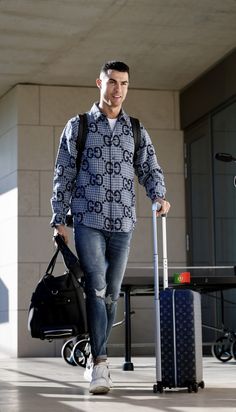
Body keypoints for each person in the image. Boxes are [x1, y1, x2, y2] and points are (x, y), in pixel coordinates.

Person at [50, 60, 170, 394]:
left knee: (112, 294)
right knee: (97, 287)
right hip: (88, 219)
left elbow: (149, 165)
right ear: (99, 83)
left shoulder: (135, 128)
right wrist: (59, 218)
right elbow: (64, 173)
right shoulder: (80, 125)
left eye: (125, 84)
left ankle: (94, 358)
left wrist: (158, 195)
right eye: (113, 82)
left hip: (124, 222)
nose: (118, 90)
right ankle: (100, 364)